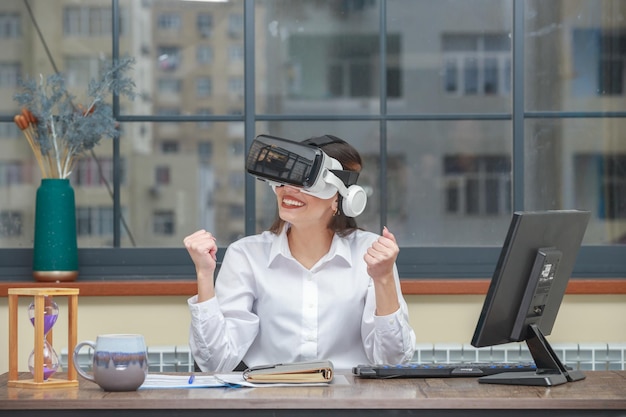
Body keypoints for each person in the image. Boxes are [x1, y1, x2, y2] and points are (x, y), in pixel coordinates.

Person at [184, 134, 416, 372]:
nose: (288, 190)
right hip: (268, 402)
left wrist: (383, 278)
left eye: (305, 181)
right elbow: (215, 363)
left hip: (348, 401)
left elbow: (392, 363)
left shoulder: (371, 255)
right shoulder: (246, 255)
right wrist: (204, 274)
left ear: (339, 196)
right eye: (285, 178)